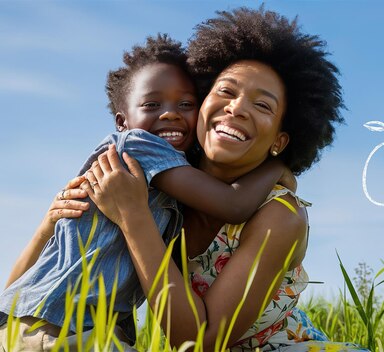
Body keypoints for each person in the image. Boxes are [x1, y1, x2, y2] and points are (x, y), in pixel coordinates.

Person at [83, 7, 367, 351]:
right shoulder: (158, 186)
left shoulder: (280, 215)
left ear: (280, 141)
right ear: (201, 104)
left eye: (263, 106)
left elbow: (204, 342)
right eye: (226, 92)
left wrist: (133, 217)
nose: (237, 108)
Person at [0, 34, 288, 351]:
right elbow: (233, 205)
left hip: (64, 328)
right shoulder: (136, 146)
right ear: (122, 122)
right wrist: (278, 169)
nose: (170, 113)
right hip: (57, 328)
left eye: (186, 104)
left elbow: (13, 291)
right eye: (152, 104)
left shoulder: (172, 189)